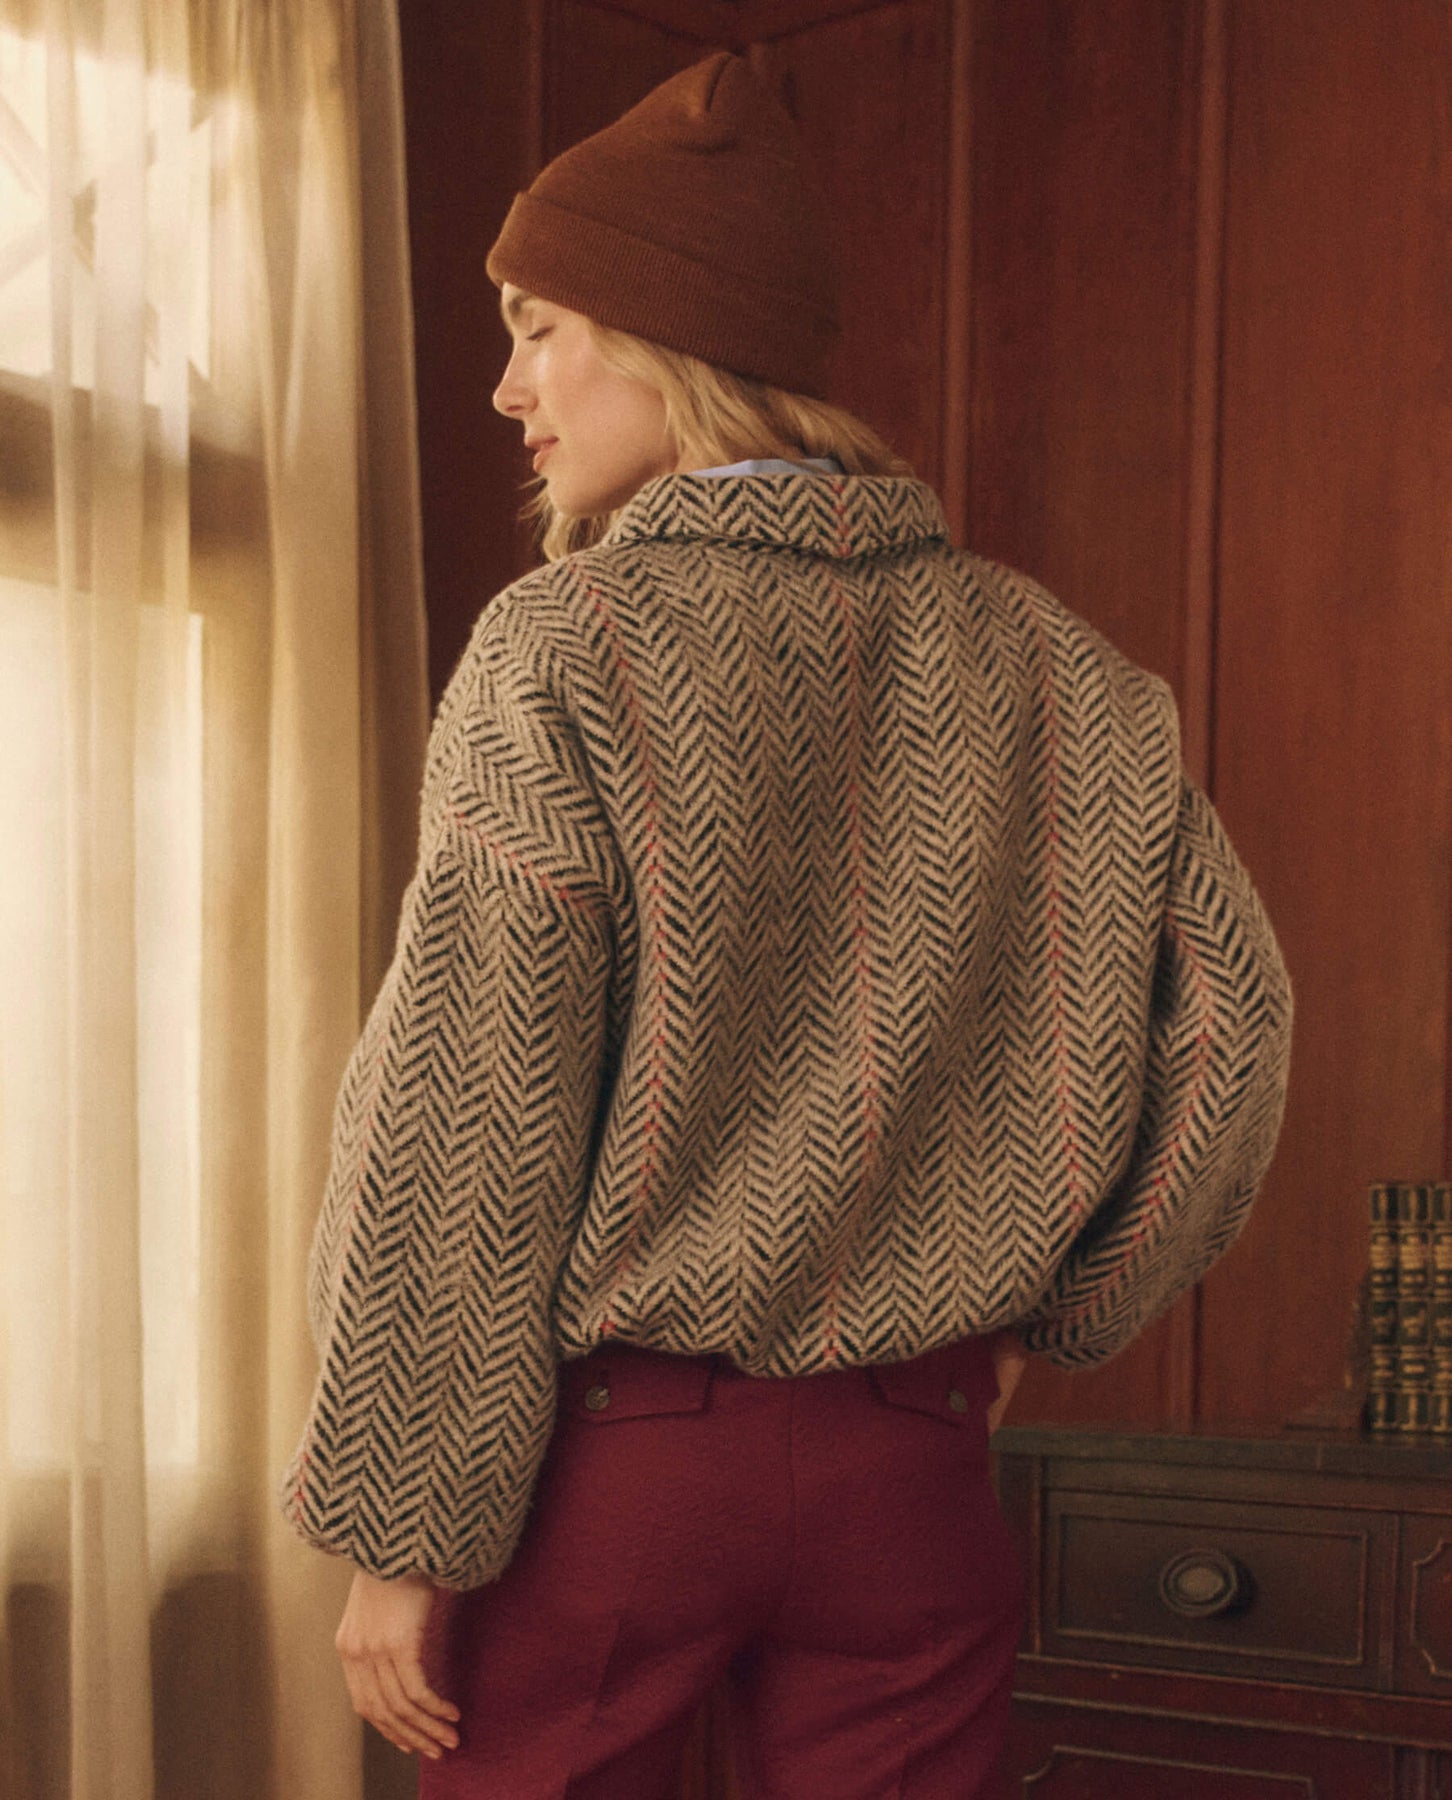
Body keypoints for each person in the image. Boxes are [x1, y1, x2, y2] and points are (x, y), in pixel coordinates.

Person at [279, 51, 1293, 1799]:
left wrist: (403, 1529)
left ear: (668, 336)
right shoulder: (1066, 672)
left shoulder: (567, 647)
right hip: (915, 1468)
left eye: (539, 328)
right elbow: (1236, 1033)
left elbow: (468, 1107)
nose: (509, 387)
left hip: (617, 1479)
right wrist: (1042, 1314)